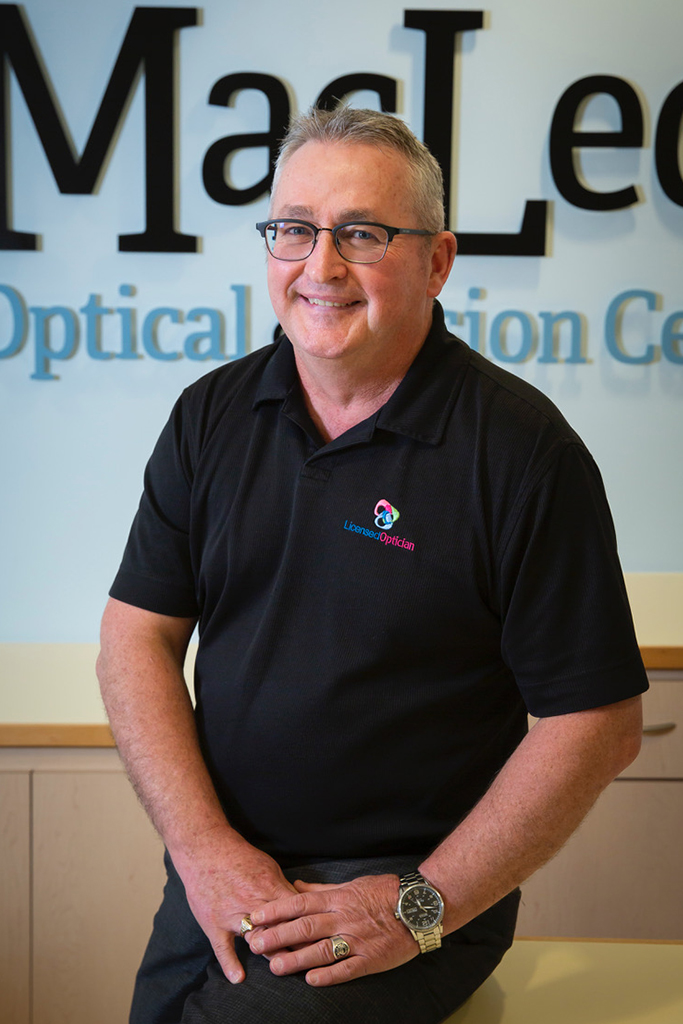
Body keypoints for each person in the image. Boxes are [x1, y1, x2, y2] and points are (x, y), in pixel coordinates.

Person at [97, 106, 647, 1024]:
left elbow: (596, 723)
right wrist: (198, 846)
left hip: (404, 896)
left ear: (437, 262)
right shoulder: (209, 416)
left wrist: (420, 907)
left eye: (361, 233)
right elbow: (135, 637)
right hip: (223, 871)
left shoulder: (523, 454)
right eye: (294, 230)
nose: (320, 267)